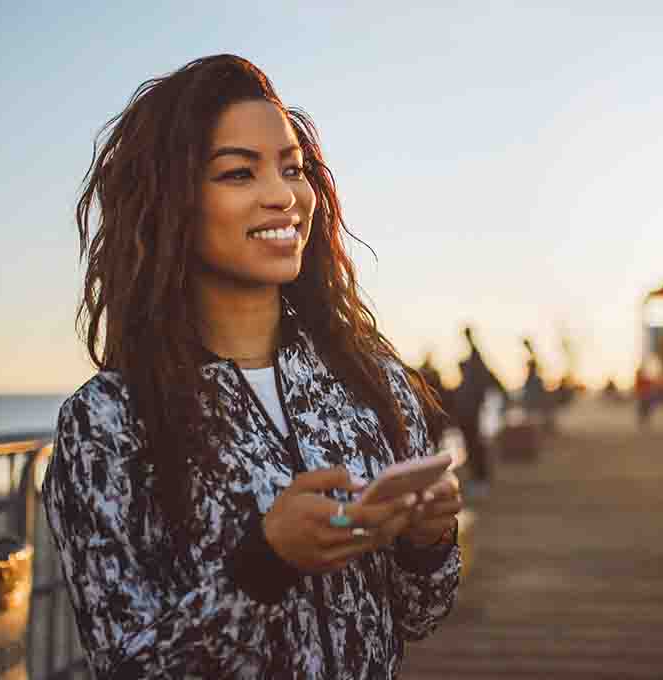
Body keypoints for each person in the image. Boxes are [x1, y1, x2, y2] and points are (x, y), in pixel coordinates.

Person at [41, 54, 461, 679]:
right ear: (169, 202)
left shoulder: (371, 381)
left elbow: (419, 616)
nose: (282, 196)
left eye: (292, 169)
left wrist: (429, 544)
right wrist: (264, 565)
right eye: (239, 173)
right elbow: (127, 666)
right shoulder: (106, 421)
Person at [453, 326, 506, 496]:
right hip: (466, 419)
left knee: (477, 450)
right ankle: (477, 480)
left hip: (475, 418)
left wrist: (470, 338)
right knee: (471, 450)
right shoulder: (465, 383)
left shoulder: (476, 371)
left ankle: (481, 482)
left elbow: (476, 354)